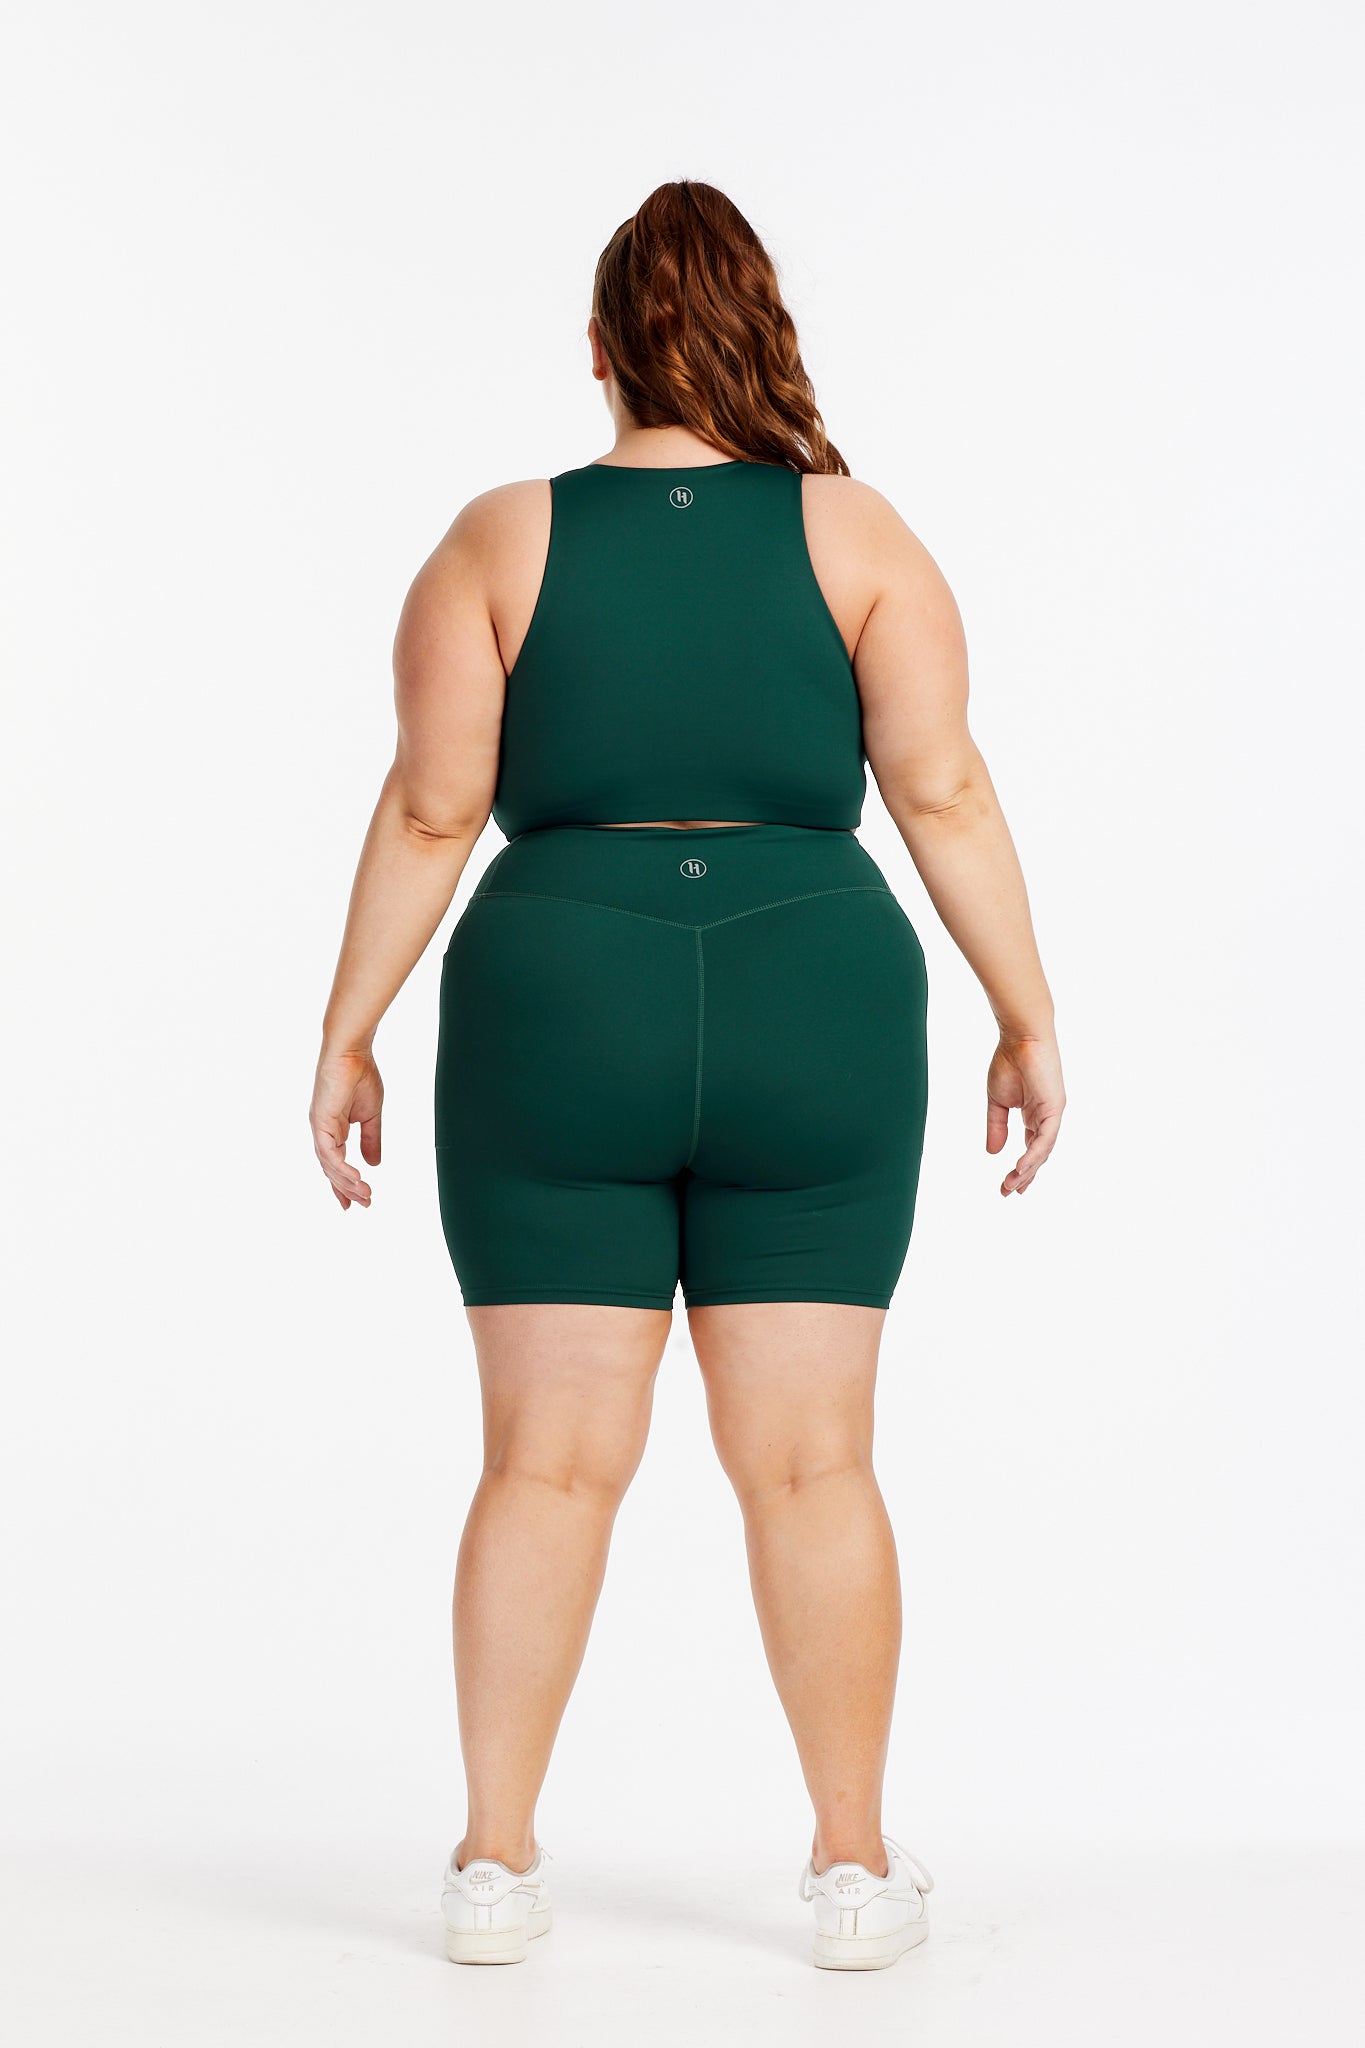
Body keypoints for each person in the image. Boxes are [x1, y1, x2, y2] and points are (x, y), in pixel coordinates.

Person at [310, 179, 1064, 1973]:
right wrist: (1024, 1006)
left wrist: (346, 1024)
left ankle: (494, 1868)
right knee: (809, 1466)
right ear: (761, 332)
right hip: (818, 992)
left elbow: (432, 808)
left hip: (559, 996)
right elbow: (940, 788)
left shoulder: (500, 539)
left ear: (597, 350)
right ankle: (854, 1871)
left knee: (546, 1465)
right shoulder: (857, 535)